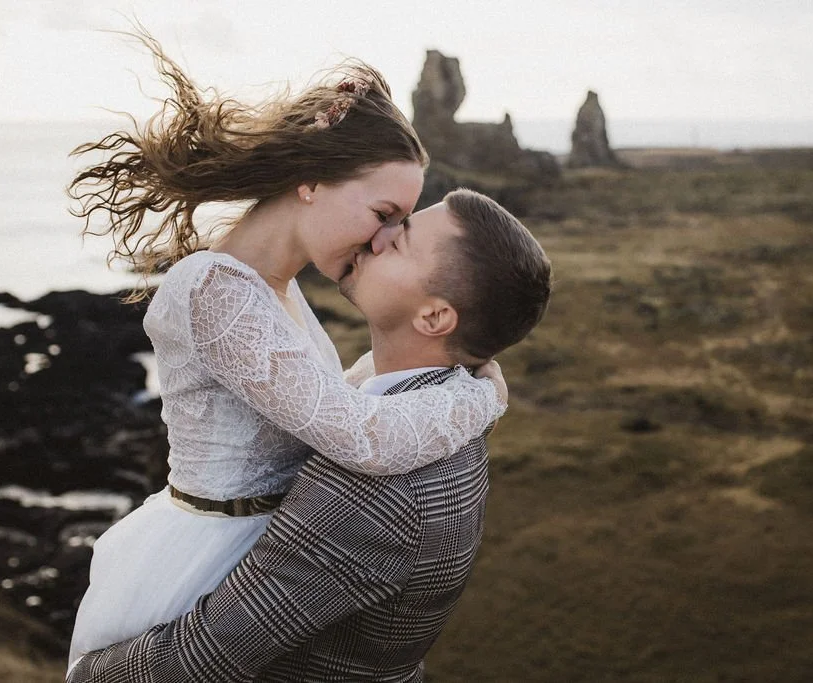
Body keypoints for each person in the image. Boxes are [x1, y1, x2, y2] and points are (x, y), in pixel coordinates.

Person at [65, 33, 507, 671]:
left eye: (399, 224)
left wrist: (440, 371)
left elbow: (324, 399)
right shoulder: (217, 289)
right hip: (204, 554)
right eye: (384, 212)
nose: (382, 241)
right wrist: (478, 394)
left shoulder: (274, 286)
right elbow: (363, 438)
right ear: (312, 182)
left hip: (259, 552)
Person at [67, 188, 553, 682]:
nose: (378, 236)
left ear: (433, 317)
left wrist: (85, 674)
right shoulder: (445, 411)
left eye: (401, 239)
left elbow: (206, 655)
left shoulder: (373, 488)